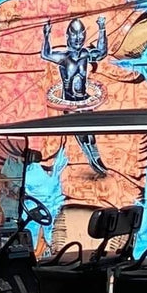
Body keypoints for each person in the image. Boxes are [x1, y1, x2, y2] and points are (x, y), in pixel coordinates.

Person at [41, 17, 109, 175]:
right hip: (71, 105)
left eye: (81, 35)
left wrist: (102, 29)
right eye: (74, 35)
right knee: (83, 137)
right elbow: (46, 54)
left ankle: (96, 161)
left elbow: (101, 52)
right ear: (68, 36)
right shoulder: (64, 58)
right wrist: (46, 35)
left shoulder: (85, 54)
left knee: (91, 137)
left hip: (84, 101)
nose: (78, 39)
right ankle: (93, 162)